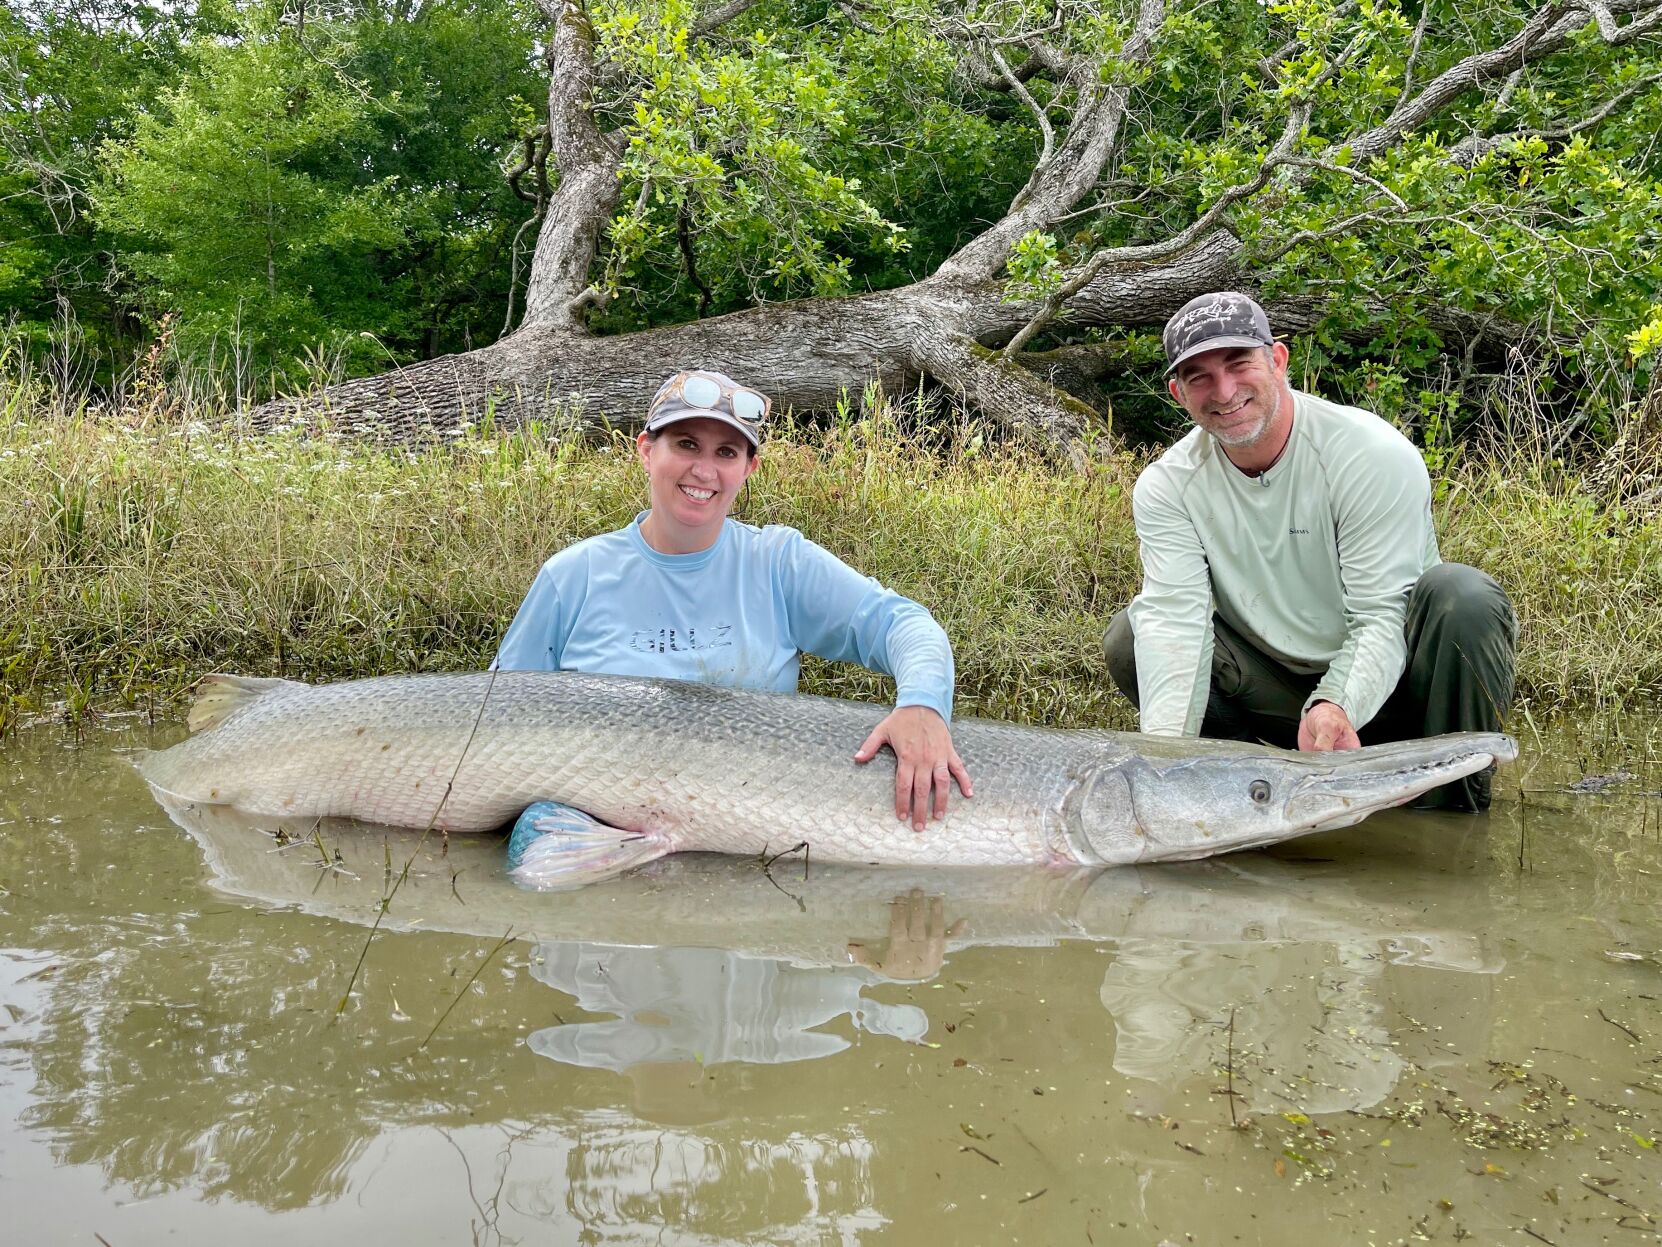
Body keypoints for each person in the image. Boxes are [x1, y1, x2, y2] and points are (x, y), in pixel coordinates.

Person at [495, 368, 973, 877]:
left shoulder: (777, 562)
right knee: (537, 868)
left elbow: (904, 624)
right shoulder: (574, 575)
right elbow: (494, 714)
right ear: (645, 450)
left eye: (727, 453)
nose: (704, 470)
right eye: (686, 444)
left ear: (748, 468)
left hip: (750, 827)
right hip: (589, 825)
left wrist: (923, 705)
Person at [1103, 292, 1517, 810]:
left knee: (1464, 595)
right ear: (1177, 393)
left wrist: (1336, 702)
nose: (1224, 391)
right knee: (1132, 636)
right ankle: (1232, 800)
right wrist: (1162, 759)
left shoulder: (1369, 453)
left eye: (1238, 364)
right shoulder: (1166, 485)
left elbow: (1383, 615)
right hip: (1277, 691)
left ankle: (1450, 805)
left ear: (1277, 360)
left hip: (1397, 690)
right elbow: (1175, 621)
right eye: (1199, 376)